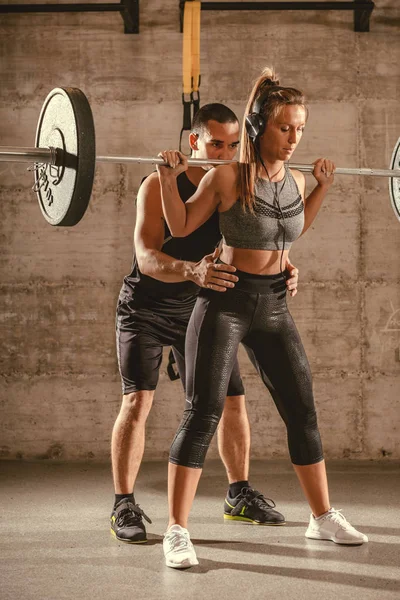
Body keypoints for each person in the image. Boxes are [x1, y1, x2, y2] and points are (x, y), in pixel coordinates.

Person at [157, 67, 368, 569]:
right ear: (260, 129)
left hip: (275, 303)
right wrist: (168, 179)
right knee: (203, 413)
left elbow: (292, 231)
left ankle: (321, 517)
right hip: (226, 302)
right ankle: (177, 530)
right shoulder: (226, 175)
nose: (293, 139)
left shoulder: (295, 178)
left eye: (300, 129)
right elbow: (181, 223)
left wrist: (321, 186)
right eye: (284, 128)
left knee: (303, 411)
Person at [110, 102, 301, 545]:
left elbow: (265, 238)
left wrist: (285, 267)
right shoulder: (158, 187)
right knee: (138, 402)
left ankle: (238, 495)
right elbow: (146, 257)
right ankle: (123, 503)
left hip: (203, 308)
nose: (225, 152)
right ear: (193, 141)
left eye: (234, 145)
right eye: (215, 143)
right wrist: (192, 270)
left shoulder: (233, 185)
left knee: (232, 401)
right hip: (146, 309)